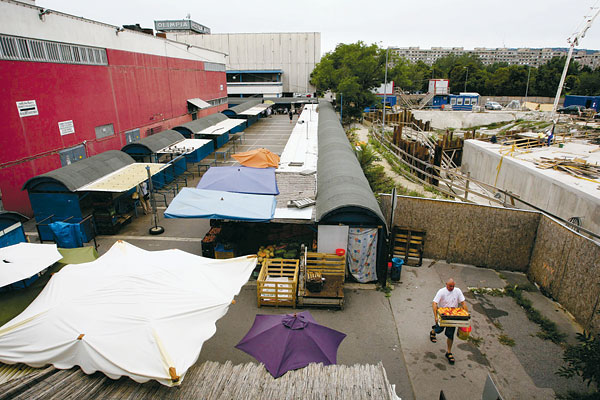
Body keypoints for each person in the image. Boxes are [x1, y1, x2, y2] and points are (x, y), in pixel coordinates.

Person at [430, 278, 468, 365]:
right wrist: (436, 316)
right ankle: (433, 332)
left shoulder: (457, 291)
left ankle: (449, 352)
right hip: (443, 314)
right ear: (446, 284)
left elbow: (463, 302)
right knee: (439, 329)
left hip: (452, 315)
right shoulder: (441, 292)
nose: (452, 288)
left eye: (453, 286)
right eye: (450, 286)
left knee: (450, 334)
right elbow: (434, 303)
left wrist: (466, 314)